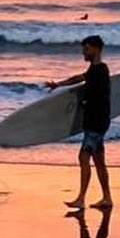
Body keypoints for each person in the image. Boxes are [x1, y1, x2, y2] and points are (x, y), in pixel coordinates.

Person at [46, 34, 112, 210]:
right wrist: (59, 84)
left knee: (84, 157)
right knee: (98, 161)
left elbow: (100, 96)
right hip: (97, 121)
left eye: (87, 49)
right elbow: (80, 78)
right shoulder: (94, 69)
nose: (84, 52)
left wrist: (84, 101)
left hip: (96, 122)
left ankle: (81, 199)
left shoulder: (101, 71)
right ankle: (107, 198)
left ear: (96, 49)